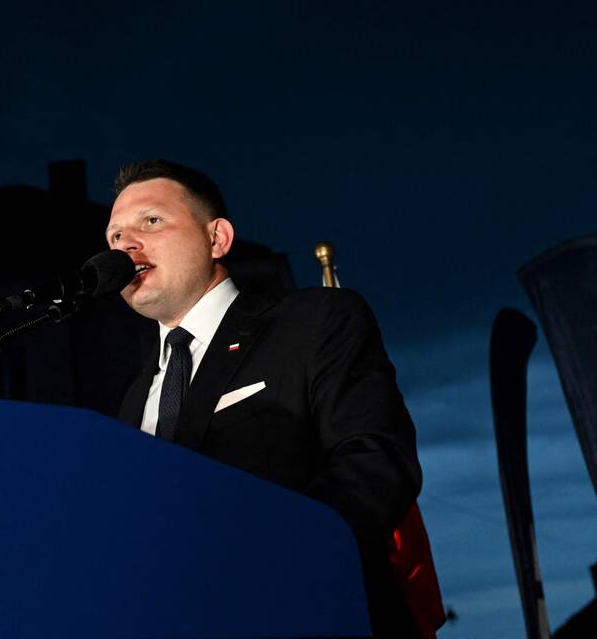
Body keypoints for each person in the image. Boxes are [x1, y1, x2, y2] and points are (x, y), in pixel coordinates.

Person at [109, 159, 426, 638]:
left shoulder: (312, 322)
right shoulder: (133, 398)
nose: (126, 244)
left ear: (217, 238)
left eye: (151, 221)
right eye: (114, 236)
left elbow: (375, 460)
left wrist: (270, 568)